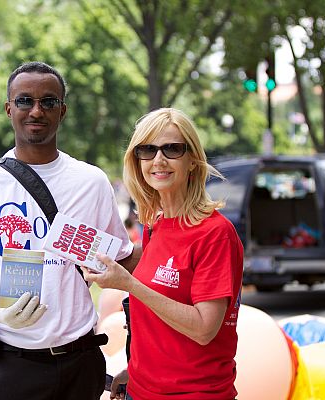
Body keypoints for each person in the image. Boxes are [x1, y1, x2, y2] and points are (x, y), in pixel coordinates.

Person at [0, 61, 139, 400]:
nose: (36, 111)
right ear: (8, 108)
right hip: (9, 366)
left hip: (80, 362)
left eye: (49, 101)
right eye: (25, 100)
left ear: (63, 111)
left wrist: (174, 233)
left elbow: (122, 260)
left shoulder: (92, 182)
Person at [84, 108, 244, 400]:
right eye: (147, 150)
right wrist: (134, 372)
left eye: (172, 149)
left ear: (193, 161)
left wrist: (130, 284)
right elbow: (158, 326)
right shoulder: (154, 226)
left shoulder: (215, 233)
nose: (158, 160)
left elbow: (203, 329)